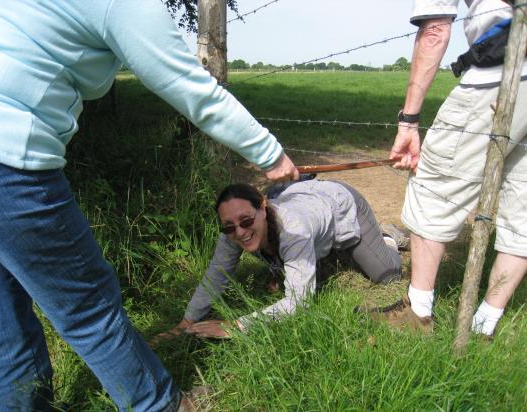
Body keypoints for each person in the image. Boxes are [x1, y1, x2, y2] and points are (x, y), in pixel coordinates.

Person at [0, 1, 299, 411]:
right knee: (90, 308)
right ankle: (161, 404)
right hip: (3, 159)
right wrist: (270, 153)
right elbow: (190, 87)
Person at [372, 0, 527, 337]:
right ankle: (486, 324)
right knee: (523, 209)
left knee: (434, 188)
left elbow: (435, 30)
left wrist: (409, 121)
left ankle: (417, 313)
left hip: (500, 76)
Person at [159, 179, 406, 340]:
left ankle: (386, 235)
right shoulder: (231, 234)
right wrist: (186, 322)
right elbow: (217, 275)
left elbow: (299, 303)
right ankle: (325, 252)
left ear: (263, 207)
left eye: (246, 221)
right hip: (305, 203)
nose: (240, 232)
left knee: (387, 274)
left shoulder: (293, 228)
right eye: (229, 227)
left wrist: (237, 326)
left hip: (339, 202)